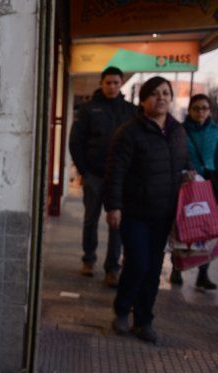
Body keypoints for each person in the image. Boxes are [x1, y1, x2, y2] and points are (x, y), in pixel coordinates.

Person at [105, 76, 193, 344]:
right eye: (155, 94)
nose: (162, 98)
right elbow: (116, 172)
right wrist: (114, 207)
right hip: (135, 212)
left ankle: (144, 320)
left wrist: (188, 174)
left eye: (166, 93)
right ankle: (122, 310)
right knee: (138, 264)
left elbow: (183, 162)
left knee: (154, 269)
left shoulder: (177, 131)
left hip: (164, 213)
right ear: (143, 100)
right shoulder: (129, 132)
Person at [69, 66, 136, 286]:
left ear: (121, 83)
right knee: (90, 219)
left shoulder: (130, 111)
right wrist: (83, 170)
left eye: (116, 83)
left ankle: (112, 269)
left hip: (121, 178)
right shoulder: (89, 109)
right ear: (101, 83)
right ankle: (88, 260)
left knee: (116, 223)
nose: (112, 86)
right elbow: (76, 141)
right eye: (108, 82)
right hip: (94, 176)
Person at [169, 94, 218, 290]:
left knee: (206, 230)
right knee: (182, 228)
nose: (201, 112)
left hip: (207, 189)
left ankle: (203, 274)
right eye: (196, 108)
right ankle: (177, 268)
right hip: (183, 186)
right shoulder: (179, 131)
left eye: (205, 108)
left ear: (210, 111)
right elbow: (174, 156)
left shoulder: (216, 132)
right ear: (189, 110)